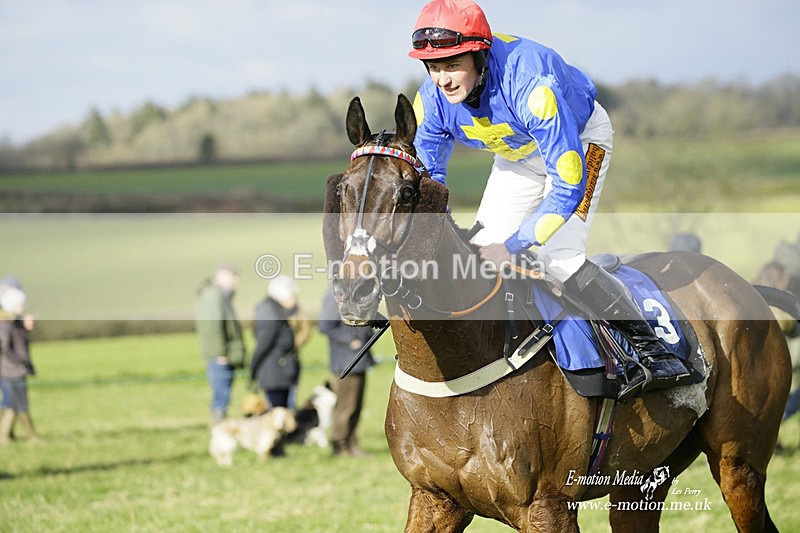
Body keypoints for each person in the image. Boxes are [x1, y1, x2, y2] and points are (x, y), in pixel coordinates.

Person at [407, 0, 689, 400]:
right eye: (434, 68)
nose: (443, 80)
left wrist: (514, 245)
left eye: (452, 64)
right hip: (517, 157)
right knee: (476, 253)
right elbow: (432, 182)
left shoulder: (531, 84)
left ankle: (654, 351)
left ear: (480, 54)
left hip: (577, 143)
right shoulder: (431, 101)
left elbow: (567, 187)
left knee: (557, 256)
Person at [318, 287, 376, 457]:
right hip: (345, 362)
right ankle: (340, 445)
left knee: (355, 406)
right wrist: (350, 340)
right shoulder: (333, 295)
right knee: (346, 407)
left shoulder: (355, 293)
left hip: (359, 360)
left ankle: (351, 444)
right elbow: (325, 326)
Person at [195, 265, 246, 427]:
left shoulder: (222, 296)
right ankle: (219, 433)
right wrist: (220, 353)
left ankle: (221, 431)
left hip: (225, 354)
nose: (236, 280)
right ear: (219, 277)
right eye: (232, 276)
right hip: (220, 357)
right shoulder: (213, 296)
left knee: (224, 395)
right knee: (221, 396)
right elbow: (213, 326)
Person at [250, 275, 303, 411]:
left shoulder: (276, 312)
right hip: (275, 376)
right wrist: (253, 373)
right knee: (278, 416)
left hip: (281, 374)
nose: (295, 299)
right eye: (292, 295)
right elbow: (262, 347)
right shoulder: (270, 316)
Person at [0, 286, 39, 444]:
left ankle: (8, 436)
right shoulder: (5, 324)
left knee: (14, 403)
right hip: (11, 371)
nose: (23, 306)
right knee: (17, 403)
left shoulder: (14, 322)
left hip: (15, 370)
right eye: (20, 303)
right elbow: (6, 348)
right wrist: (21, 362)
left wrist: (27, 328)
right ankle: (9, 437)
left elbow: (18, 342)